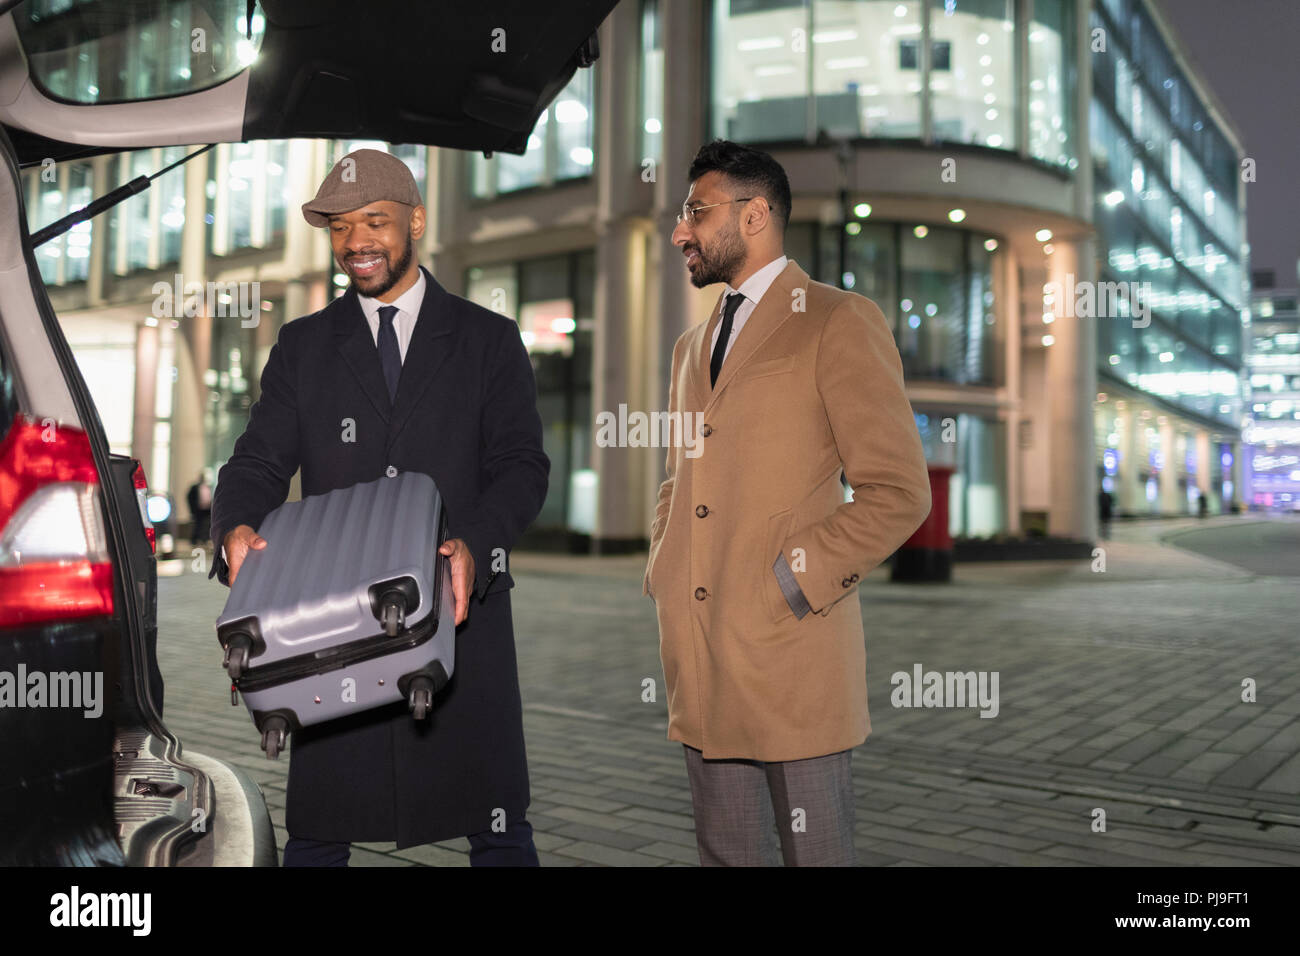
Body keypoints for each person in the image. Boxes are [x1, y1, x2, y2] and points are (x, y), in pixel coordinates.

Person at [209, 149, 549, 866]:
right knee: (319, 836)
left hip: (460, 621)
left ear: (415, 222)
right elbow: (259, 461)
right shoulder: (303, 347)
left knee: (498, 831)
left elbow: (522, 466)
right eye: (339, 226)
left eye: (375, 220)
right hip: (333, 635)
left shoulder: (488, 340)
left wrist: (475, 544)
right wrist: (233, 527)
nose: (355, 241)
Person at [643, 140, 931, 866]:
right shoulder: (688, 346)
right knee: (724, 854)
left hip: (789, 653)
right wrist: (663, 566)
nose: (681, 231)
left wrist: (792, 580)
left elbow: (897, 491)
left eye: (697, 212)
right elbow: (680, 478)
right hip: (700, 658)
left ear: (757, 214)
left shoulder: (837, 319)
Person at [186, 471, 212, 546]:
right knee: (198, 525)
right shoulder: (195, 487)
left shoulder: (207, 487)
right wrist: (192, 508)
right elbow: (190, 498)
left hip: (207, 509)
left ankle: (205, 539)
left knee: (207, 525)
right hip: (198, 510)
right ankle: (194, 540)